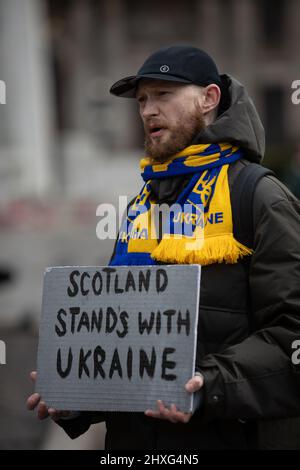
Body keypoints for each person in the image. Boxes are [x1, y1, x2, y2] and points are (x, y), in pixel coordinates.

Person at [27, 45, 300, 450]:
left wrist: (206, 386)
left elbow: (291, 337)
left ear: (209, 98)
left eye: (164, 95)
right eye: (141, 100)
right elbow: (124, 337)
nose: (148, 111)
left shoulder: (259, 197)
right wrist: (77, 397)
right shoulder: (142, 204)